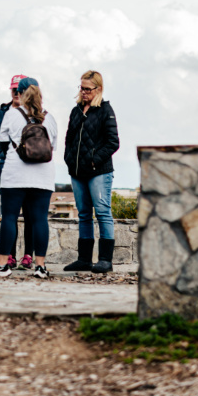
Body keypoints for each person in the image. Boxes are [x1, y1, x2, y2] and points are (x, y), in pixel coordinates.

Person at [0, 77, 58, 279]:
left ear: (21, 94)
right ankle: (40, 266)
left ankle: (3, 264)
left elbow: (3, 140)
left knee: (10, 218)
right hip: (43, 176)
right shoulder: (50, 118)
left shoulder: (12, 114)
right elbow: (53, 147)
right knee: (40, 219)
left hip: (15, 175)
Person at [63, 70, 120, 273]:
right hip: (77, 172)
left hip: (99, 172)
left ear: (98, 89)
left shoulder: (106, 110)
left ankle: (105, 260)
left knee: (103, 212)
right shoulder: (76, 110)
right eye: (82, 88)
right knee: (84, 214)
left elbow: (113, 142)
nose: (84, 92)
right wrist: (69, 160)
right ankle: (84, 259)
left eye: (88, 89)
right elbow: (69, 139)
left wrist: (94, 160)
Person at [0, 74, 35, 270]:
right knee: (10, 216)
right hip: (8, 171)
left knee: (31, 216)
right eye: (13, 90)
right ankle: (10, 256)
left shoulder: (36, 113)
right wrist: (1, 162)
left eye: (19, 90)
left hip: (30, 171)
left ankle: (28, 256)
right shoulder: (1, 114)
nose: (16, 93)